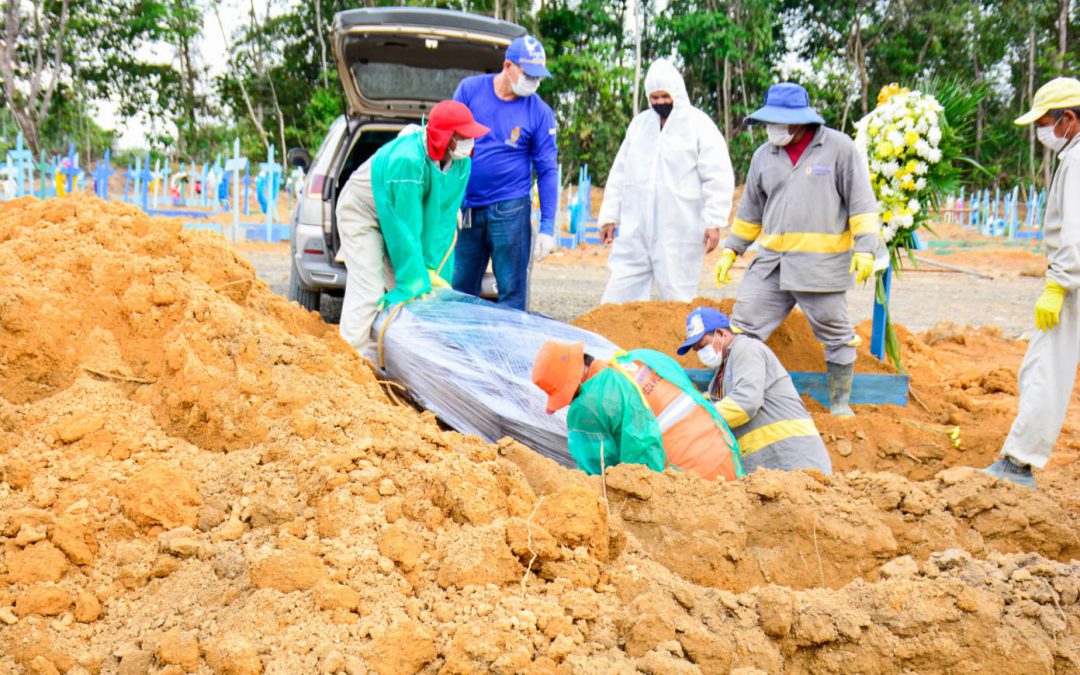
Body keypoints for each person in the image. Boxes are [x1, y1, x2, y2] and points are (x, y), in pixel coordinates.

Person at [715, 82, 880, 418]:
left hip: (821, 265)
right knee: (742, 326)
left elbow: (862, 204)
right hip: (772, 263)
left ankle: (839, 402)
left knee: (836, 331)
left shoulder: (838, 148)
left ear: (801, 120)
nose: (772, 129)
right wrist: (732, 249)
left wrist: (866, 248)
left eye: (779, 122)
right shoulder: (764, 155)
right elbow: (750, 211)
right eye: (769, 122)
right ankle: (738, 394)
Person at [335, 100, 490, 358]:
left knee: (421, 295)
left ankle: (394, 361)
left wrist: (432, 270)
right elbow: (405, 230)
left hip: (400, 216)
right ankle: (350, 364)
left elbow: (442, 221)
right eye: (462, 135)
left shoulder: (462, 163)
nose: (469, 140)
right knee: (369, 290)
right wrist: (414, 278)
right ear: (444, 136)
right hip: (364, 212)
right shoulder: (407, 161)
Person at [984, 77, 1080, 490]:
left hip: (1073, 281)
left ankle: (1018, 465)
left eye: (1045, 123)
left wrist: (1059, 284)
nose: (1042, 133)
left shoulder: (1077, 163)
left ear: (1069, 119)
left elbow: (1075, 234)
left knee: (1044, 368)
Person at [597, 59, 735, 303]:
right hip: (636, 229)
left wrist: (714, 222)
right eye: (654, 98)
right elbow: (619, 173)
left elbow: (717, 175)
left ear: (677, 93)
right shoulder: (639, 126)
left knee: (678, 297)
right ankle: (614, 342)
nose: (660, 102)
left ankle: (681, 340)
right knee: (618, 297)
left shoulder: (699, 125)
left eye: (665, 96)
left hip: (679, 230)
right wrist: (609, 216)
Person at [531, 340, 743, 481]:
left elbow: (596, 474)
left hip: (686, 484)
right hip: (727, 458)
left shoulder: (587, 405)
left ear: (574, 384)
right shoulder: (642, 358)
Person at [451, 35, 559, 310]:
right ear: (508, 66)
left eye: (539, 77)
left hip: (510, 209)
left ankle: (505, 351)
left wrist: (547, 227)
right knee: (461, 289)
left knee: (511, 291)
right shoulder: (470, 91)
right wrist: (449, 200)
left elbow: (547, 170)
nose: (535, 82)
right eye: (529, 75)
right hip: (468, 209)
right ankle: (458, 347)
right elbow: (449, 145)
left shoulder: (539, 112)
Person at [679, 307, 832, 474]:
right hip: (766, 472)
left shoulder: (746, 349)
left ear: (721, 333)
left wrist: (700, 419)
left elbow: (746, 402)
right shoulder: (719, 378)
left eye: (702, 346)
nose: (701, 353)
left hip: (795, 461)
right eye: (696, 350)